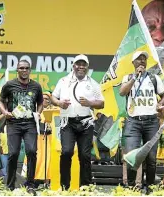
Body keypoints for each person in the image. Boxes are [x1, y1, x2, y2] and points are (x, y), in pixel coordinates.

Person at [51, 54, 104, 190]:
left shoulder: (92, 83)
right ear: (73, 66)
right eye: (78, 64)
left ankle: (85, 187)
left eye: (84, 64)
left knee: (85, 155)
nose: (81, 67)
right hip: (67, 123)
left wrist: (89, 103)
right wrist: (60, 103)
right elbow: (53, 97)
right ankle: (64, 186)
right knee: (67, 152)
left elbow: (101, 103)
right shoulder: (63, 81)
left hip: (86, 124)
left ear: (87, 67)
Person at [119, 51, 164, 193]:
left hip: (151, 121)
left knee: (151, 158)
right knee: (132, 156)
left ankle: (150, 188)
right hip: (133, 122)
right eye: (138, 60)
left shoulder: (154, 78)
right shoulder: (127, 77)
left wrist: (161, 104)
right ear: (133, 63)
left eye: (144, 59)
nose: (142, 62)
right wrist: (134, 78)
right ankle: (133, 189)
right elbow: (122, 92)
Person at [0, 59, 44, 192]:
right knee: (13, 153)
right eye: (21, 68)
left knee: (31, 151)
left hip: (30, 123)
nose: (24, 70)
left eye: (26, 68)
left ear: (30, 70)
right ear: (17, 70)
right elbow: (1, 100)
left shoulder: (36, 86)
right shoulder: (9, 85)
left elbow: (40, 102)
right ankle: (10, 185)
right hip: (13, 124)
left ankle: (30, 184)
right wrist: (4, 112)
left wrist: (38, 113)